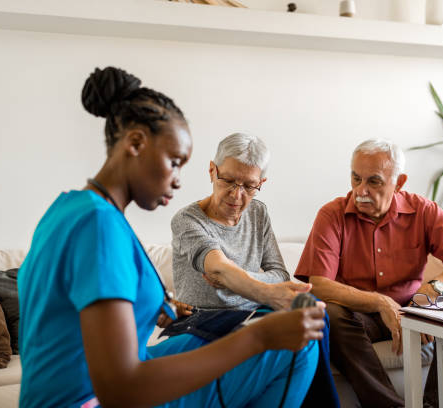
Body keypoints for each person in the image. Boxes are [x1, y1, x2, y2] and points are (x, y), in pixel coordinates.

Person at [17, 66, 324, 408]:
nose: (178, 180)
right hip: (93, 400)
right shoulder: (99, 227)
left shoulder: (70, 208)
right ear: (135, 143)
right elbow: (121, 391)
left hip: (96, 381)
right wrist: (258, 337)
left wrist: (157, 308)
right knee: (296, 346)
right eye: (175, 161)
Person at [294, 139, 443, 408]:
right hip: (358, 317)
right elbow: (319, 285)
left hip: (416, 311)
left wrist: (433, 290)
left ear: (399, 182)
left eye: (374, 182)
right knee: (330, 314)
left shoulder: (423, 210)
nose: (361, 191)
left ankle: (439, 404)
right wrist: (379, 301)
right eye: (356, 179)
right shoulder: (332, 215)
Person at [170, 132, 311, 311]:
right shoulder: (187, 220)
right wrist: (262, 289)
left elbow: (280, 276)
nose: (237, 195)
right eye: (228, 180)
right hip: (203, 320)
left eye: (249, 186)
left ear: (261, 182)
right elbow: (218, 269)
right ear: (212, 171)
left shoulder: (258, 212)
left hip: (252, 312)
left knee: (313, 317)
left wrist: (235, 279)